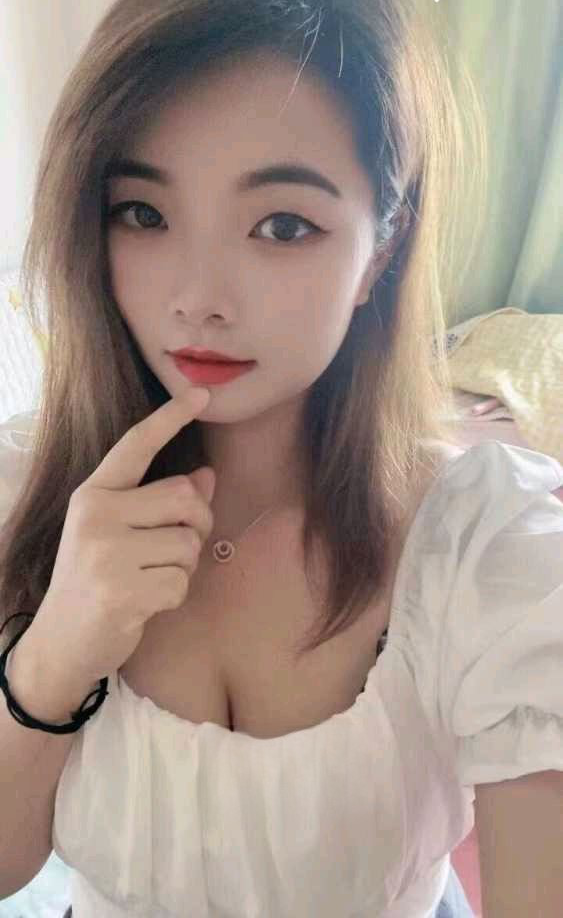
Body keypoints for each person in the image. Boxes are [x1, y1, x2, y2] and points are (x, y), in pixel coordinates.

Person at [0, 1, 561, 916]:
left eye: (283, 226)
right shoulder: (24, 489)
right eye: (143, 213)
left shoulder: (484, 544)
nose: (199, 299)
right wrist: (56, 652)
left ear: (381, 246)